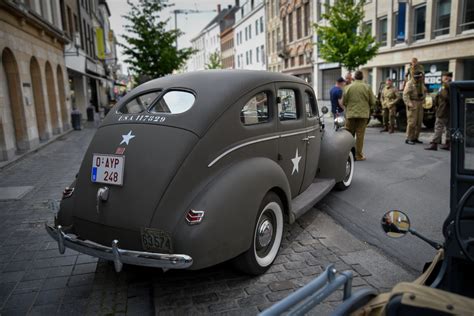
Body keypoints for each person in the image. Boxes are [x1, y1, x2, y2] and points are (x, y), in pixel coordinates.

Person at [343, 70, 376, 161]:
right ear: (362, 77)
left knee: (349, 134)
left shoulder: (348, 87)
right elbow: (373, 102)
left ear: (354, 77)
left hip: (350, 114)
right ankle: (358, 155)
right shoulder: (367, 87)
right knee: (360, 135)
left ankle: (347, 154)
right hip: (363, 115)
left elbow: (344, 102)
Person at [425, 72, 453, 151]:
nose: (442, 78)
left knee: (438, 127)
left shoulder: (444, 85)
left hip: (443, 109)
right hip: (450, 110)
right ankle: (448, 143)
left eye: (443, 77)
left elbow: (444, 96)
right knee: (448, 127)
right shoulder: (453, 85)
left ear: (446, 77)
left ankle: (434, 144)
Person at [403, 71, 427, 145]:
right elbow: (405, 95)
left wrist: (423, 99)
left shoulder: (421, 83)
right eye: (418, 77)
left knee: (419, 122)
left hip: (420, 103)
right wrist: (409, 104)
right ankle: (409, 138)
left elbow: (425, 91)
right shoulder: (410, 83)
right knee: (412, 122)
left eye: (420, 77)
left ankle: (415, 138)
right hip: (413, 103)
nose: (419, 79)